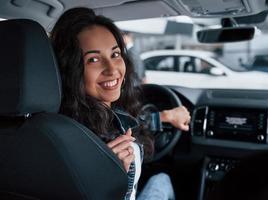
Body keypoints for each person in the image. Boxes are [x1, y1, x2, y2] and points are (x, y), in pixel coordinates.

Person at [50, 7, 191, 200]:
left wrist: (165, 116)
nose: (112, 69)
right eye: (93, 59)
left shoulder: (106, 113)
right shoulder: (69, 139)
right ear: (70, 69)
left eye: (115, 54)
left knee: (162, 179)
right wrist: (105, 178)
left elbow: (133, 122)